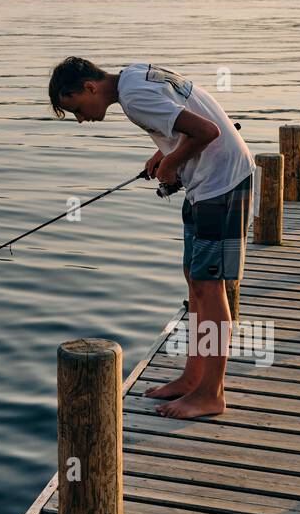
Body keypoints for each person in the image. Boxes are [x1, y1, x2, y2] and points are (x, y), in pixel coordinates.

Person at [48, 58, 255, 419]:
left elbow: (208, 132)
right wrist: (164, 153)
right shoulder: (133, 76)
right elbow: (185, 121)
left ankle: (211, 394)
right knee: (196, 283)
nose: (82, 119)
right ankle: (192, 379)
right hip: (207, 184)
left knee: (210, 287)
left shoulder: (134, 99)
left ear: (89, 87)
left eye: (78, 109)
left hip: (222, 183)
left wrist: (172, 164)